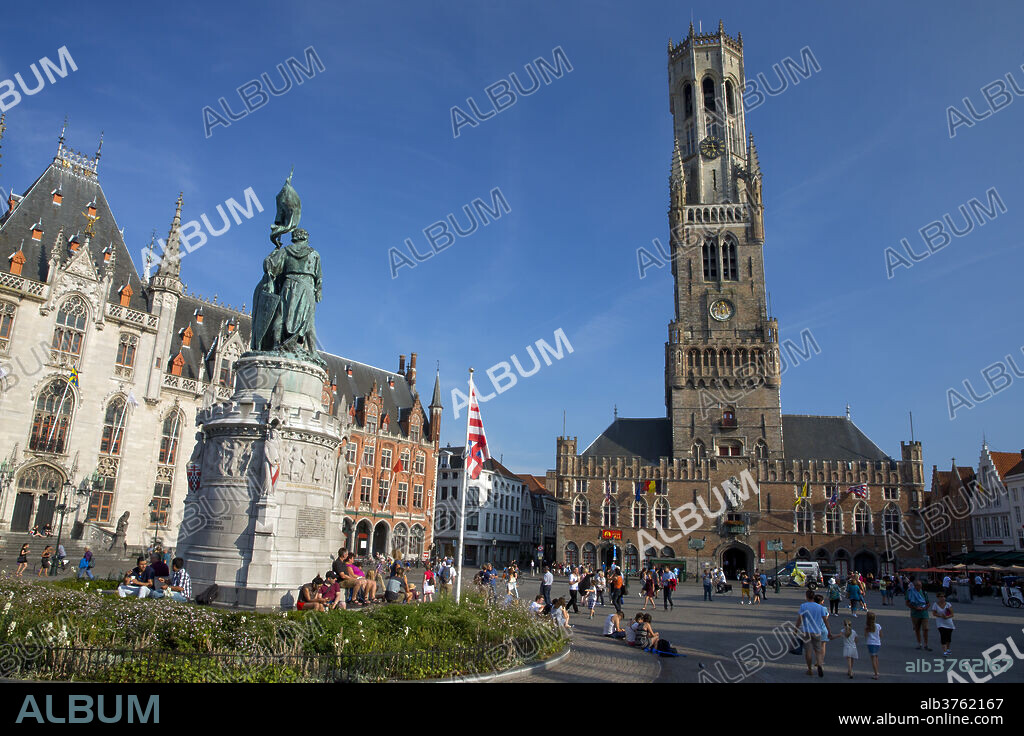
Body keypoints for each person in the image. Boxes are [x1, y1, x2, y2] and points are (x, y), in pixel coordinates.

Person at [796, 588, 833, 678]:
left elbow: (799, 619)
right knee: (818, 650)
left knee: (808, 651)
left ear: (807, 597)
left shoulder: (803, 606)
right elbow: (825, 621)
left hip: (807, 631)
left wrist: (795, 629)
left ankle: (809, 669)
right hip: (817, 631)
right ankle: (819, 664)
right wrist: (829, 631)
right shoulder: (820, 607)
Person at [906, 579, 931, 651]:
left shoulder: (924, 592)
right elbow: (907, 603)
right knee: (917, 629)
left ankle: (926, 644)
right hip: (915, 613)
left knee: (926, 629)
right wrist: (915, 608)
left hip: (924, 613)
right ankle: (919, 643)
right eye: (917, 585)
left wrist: (924, 608)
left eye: (920, 585)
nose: (919, 587)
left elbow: (928, 603)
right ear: (914, 586)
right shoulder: (910, 592)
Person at [931, 591, 955, 656]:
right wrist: (940, 616)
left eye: (944, 596)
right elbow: (934, 613)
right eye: (941, 597)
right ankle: (945, 651)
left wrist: (946, 616)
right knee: (943, 636)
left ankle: (947, 649)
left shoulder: (948, 604)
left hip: (949, 623)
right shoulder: (935, 604)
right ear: (938, 597)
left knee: (948, 638)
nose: (943, 598)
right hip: (940, 623)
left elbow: (952, 614)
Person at [864, 611, 881, 679]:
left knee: (873, 658)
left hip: (871, 643)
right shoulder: (878, 626)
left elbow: (865, 635)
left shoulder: (867, 627)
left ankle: (876, 673)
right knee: (876, 657)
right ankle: (877, 670)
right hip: (877, 643)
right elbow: (881, 635)